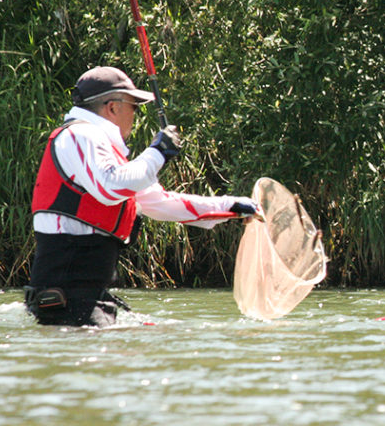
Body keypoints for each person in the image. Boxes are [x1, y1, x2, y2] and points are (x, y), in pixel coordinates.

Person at [25, 66, 259, 327]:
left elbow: (159, 202)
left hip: (84, 297)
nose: (136, 116)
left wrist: (229, 207)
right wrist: (158, 151)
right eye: (134, 107)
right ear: (113, 107)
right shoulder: (80, 134)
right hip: (68, 298)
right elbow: (111, 187)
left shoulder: (100, 147)